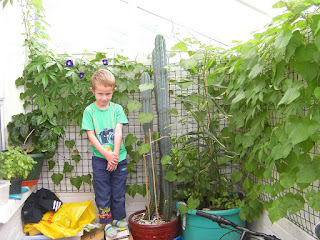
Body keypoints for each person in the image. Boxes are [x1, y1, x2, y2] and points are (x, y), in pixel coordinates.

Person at [81, 69, 129, 239]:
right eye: (100, 93)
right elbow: (91, 135)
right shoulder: (89, 111)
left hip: (119, 159)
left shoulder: (117, 109)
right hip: (100, 160)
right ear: (92, 91)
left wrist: (114, 155)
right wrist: (106, 155)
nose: (104, 98)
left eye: (108, 93)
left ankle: (116, 219)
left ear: (113, 91)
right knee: (103, 192)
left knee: (118, 191)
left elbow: (118, 132)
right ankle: (106, 222)